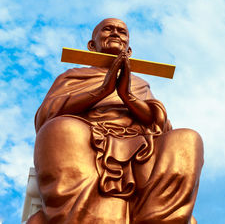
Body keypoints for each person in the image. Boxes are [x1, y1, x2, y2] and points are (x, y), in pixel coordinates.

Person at [27, 18, 203, 224]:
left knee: (188, 139)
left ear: (128, 51)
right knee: (61, 128)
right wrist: (102, 90)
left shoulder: (140, 83)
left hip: (140, 141)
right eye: (108, 29)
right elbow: (47, 114)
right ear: (92, 46)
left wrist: (128, 96)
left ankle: (158, 217)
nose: (115, 34)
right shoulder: (73, 76)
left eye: (122, 32)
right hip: (85, 135)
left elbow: (160, 125)